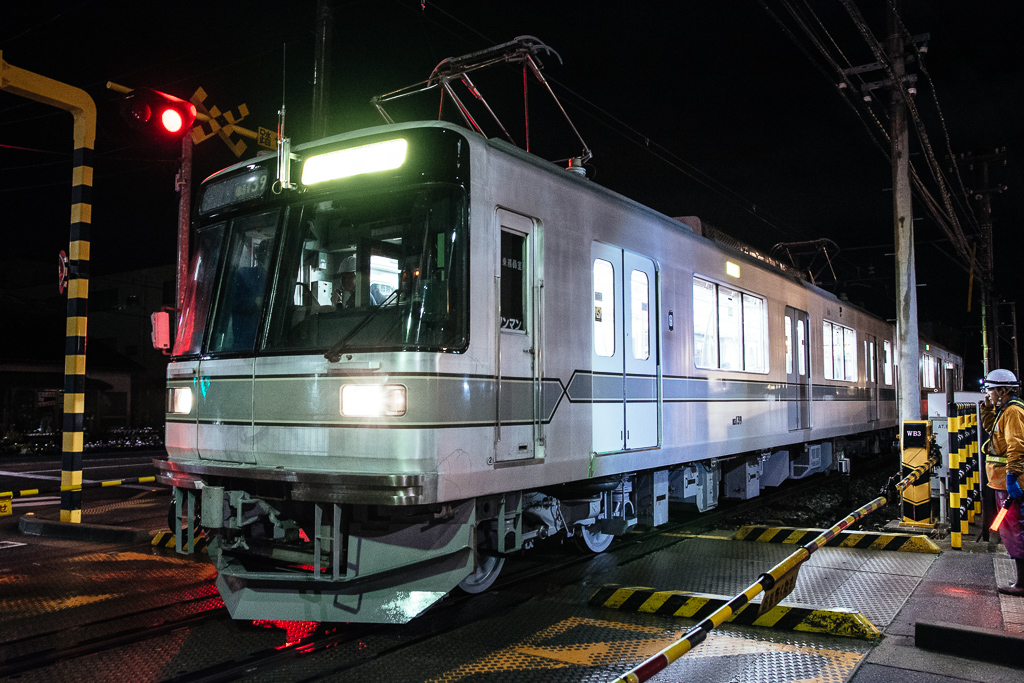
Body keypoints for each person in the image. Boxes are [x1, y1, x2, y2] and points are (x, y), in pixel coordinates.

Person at [981, 368, 1024, 595]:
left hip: (1010, 482)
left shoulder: (1013, 412)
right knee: (1012, 529)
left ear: (1003, 390)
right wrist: (987, 410)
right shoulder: (1003, 411)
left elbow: (1016, 445)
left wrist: (1012, 477)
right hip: (1000, 481)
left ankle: (1022, 583)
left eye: (991, 390)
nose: (988, 395)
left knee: (1015, 529)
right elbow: (992, 431)